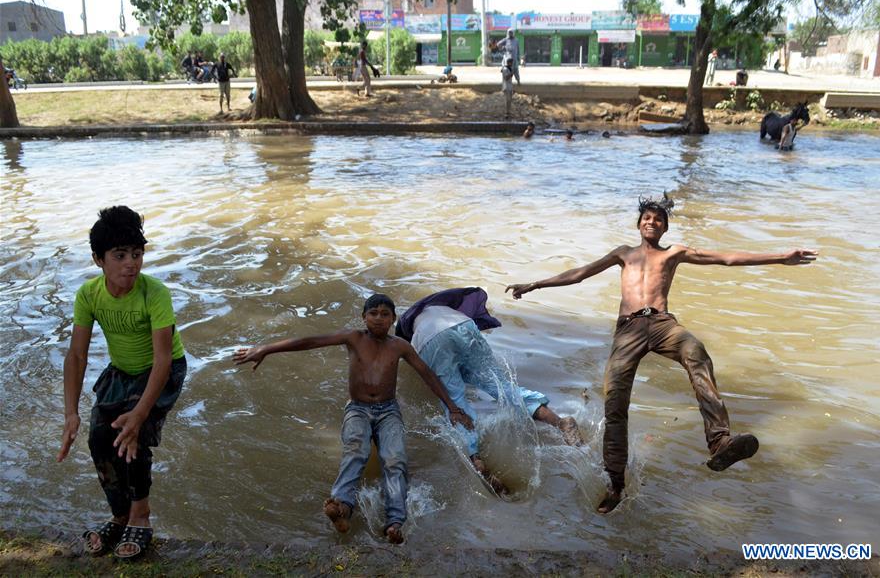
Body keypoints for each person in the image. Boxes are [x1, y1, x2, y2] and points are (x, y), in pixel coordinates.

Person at [506, 194, 817, 514]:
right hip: (628, 329)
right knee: (615, 401)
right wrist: (534, 284)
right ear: (638, 225)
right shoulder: (623, 254)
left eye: (657, 219)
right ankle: (615, 483)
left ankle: (720, 441)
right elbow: (580, 273)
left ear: (665, 227)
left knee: (696, 352)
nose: (651, 222)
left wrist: (781, 257)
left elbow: (726, 258)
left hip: (662, 323)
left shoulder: (673, 254)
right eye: (646, 219)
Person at [233, 294, 472, 545]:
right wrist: (266, 349)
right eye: (373, 313)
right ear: (363, 317)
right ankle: (342, 507)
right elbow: (311, 341)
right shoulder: (353, 338)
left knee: (395, 460)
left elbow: (427, 374)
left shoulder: (399, 346)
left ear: (393, 319)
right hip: (358, 409)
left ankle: (394, 522)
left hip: (388, 411)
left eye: (385, 314)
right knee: (355, 452)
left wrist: (453, 407)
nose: (379, 319)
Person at [57, 206, 187, 559]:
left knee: (133, 435)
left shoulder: (154, 293)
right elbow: (77, 356)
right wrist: (71, 413)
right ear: (99, 259)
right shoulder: (88, 295)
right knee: (100, 437)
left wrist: (140, 413)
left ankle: (141, 516)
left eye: (137, 254)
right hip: (122, 371)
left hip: (164, 370)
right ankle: (119, 516)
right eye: (120, 255)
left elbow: (162, 360)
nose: (131, 263)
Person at [395, 288, 583, 494]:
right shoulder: (441, 309)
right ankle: (560, 422)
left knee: (455, 401)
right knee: (502, 386)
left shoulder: (413, 329)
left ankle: (477, 461)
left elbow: (419, 364)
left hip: (432, 342)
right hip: (464, 326)